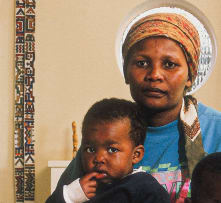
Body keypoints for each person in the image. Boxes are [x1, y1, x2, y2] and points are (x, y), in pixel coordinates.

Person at [46, 12, 221, 203]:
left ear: (189, 76)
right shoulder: (106, 135)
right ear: (126, 72)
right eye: (142, 63)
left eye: (169, 64)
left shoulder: (216, 130)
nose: (154, 74)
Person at [46, 98, 170, 203]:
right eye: (90, 149)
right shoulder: (81, 187)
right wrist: (70, 195)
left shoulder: (145, 188)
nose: (99, 158)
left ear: (136, 155)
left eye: (112, 149)